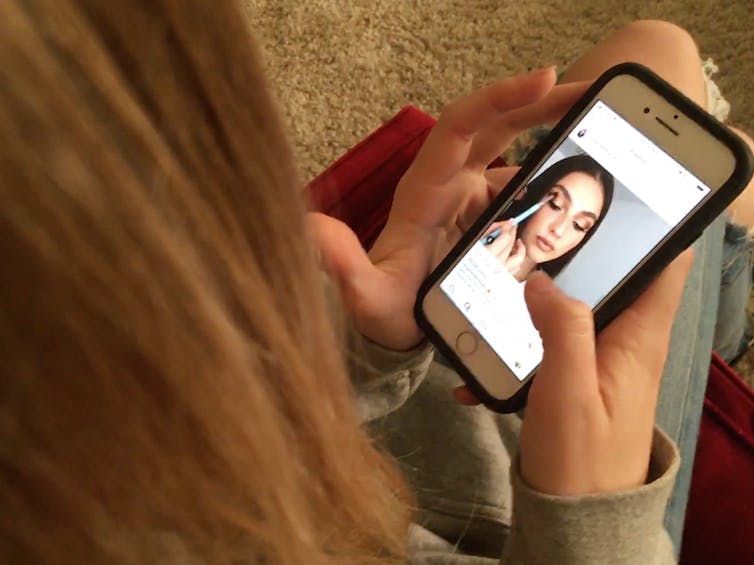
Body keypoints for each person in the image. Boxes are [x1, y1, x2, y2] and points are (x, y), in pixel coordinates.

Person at [1, 3, 752, 564]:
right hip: (543, 506)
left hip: (422, 398)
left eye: (579, 220)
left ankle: (726, 274)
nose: (560, 226)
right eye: (556, 199)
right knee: (686, 93)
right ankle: (728, 289)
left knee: (660, 70)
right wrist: (594, 523)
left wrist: (370, 353)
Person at [481, 154, 614, 280]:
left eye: (579, 225)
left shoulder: (537, 301)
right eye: (555, 204)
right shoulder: (475, 222)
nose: (558, 230)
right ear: (537, 193)